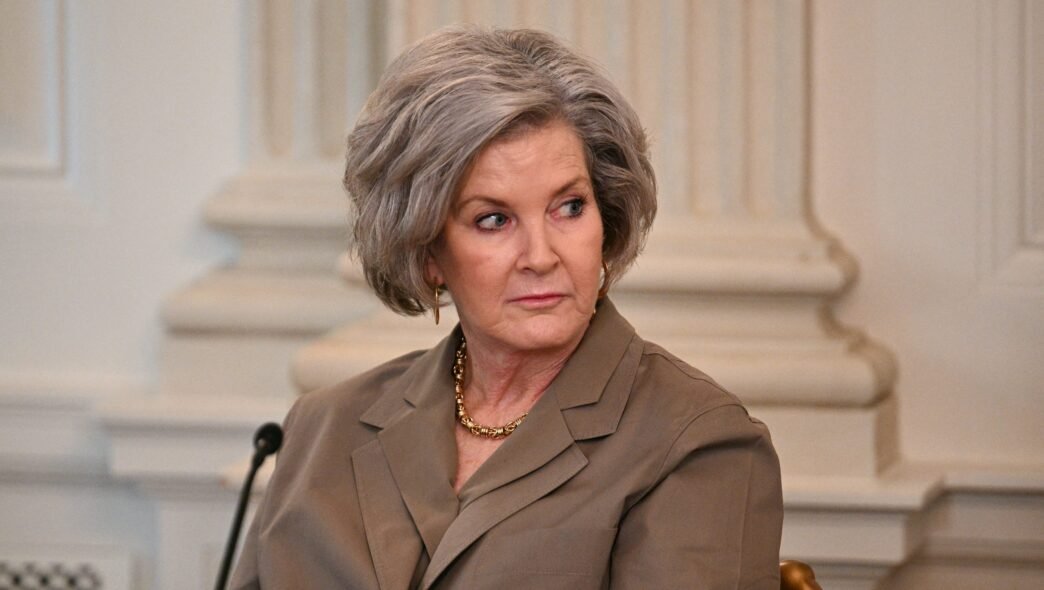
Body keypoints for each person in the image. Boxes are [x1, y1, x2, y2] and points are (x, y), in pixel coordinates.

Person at [231, 26, 782, 590]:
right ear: (427, 252)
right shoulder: (323, 428)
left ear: (607, 220)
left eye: (569, 207)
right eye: (493, 219)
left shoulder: (696, 442)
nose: (541, 256)